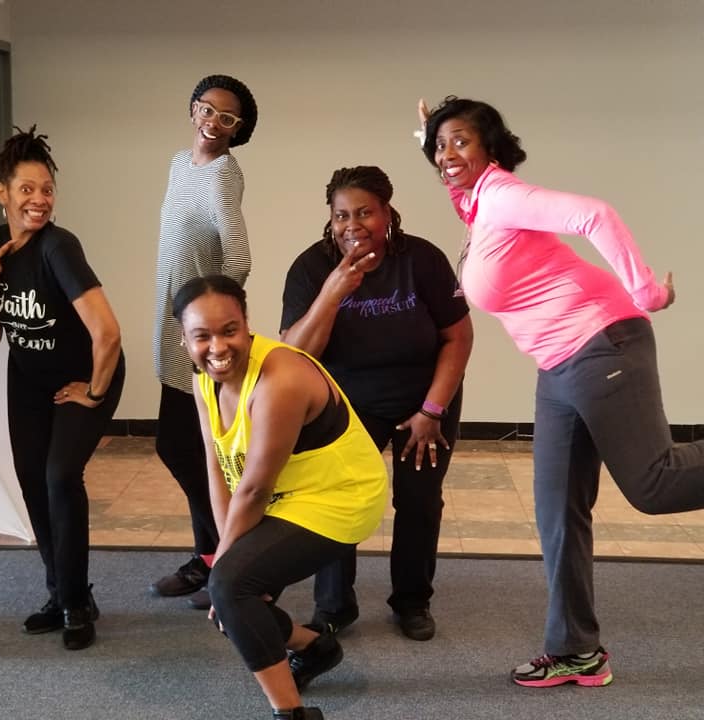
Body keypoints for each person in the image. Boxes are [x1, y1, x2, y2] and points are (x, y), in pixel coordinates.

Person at [417, 95, 704, 687]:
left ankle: (576, 645)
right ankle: (577, 648)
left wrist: (644, 290)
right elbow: (454, 182)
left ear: (491, 148)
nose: (447, 154)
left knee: (654, 483)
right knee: (556, 511)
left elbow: (594, 214)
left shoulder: (501, 194)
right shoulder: (478, 205)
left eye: (461, 140)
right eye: (440, 145)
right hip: (557, 367)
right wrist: (431, 139)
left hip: (603, 342)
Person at [176, 274, 387, 720]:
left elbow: (254, 487)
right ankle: (314, 648)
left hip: (341, 496)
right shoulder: (203, 381)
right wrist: (224, 557)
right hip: (288, 495)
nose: (217, 347)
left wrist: (225, 573)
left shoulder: (281, 378)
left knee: (232, 589)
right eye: (202, 336)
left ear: (247, 324)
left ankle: (291, 714)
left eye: (229, 330)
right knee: (231, 593)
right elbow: (218, 467)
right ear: (184, 341)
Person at [280, 166, 472, 641]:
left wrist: (432, 412)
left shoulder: (422, 260)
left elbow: (458, 337)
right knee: (338, 501)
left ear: (387, 212)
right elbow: (295, 354)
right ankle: (334, 606)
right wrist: (333, 291)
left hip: (424, 400)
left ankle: (411, 600)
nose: (352, 224)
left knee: (419, 500)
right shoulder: (311, 267)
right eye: (342, 215)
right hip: (346, 405)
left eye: (365, 212)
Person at [0, 125, 124, 650]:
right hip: (29, 379)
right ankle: (59, 591)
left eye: (47, 189)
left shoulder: (60, 247)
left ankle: (77, 603)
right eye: (27, 189)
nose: (39, 199)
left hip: (86, 376)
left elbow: (107, 332)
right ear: (3, 192)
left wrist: (96, 393)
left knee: (61, 475)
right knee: (33, 481)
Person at [151, 74, 258, 609]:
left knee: (190, 447)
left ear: (238, 130)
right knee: (183, 446)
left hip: (201, 338)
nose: (214, 122)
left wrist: (216, 326)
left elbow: (237, 256)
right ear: (194, 110)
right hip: (173, 331)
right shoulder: (177, 164)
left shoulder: (222, 176)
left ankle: (222, 556)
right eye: (208, 110)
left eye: (228, 118)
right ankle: (213, 554)